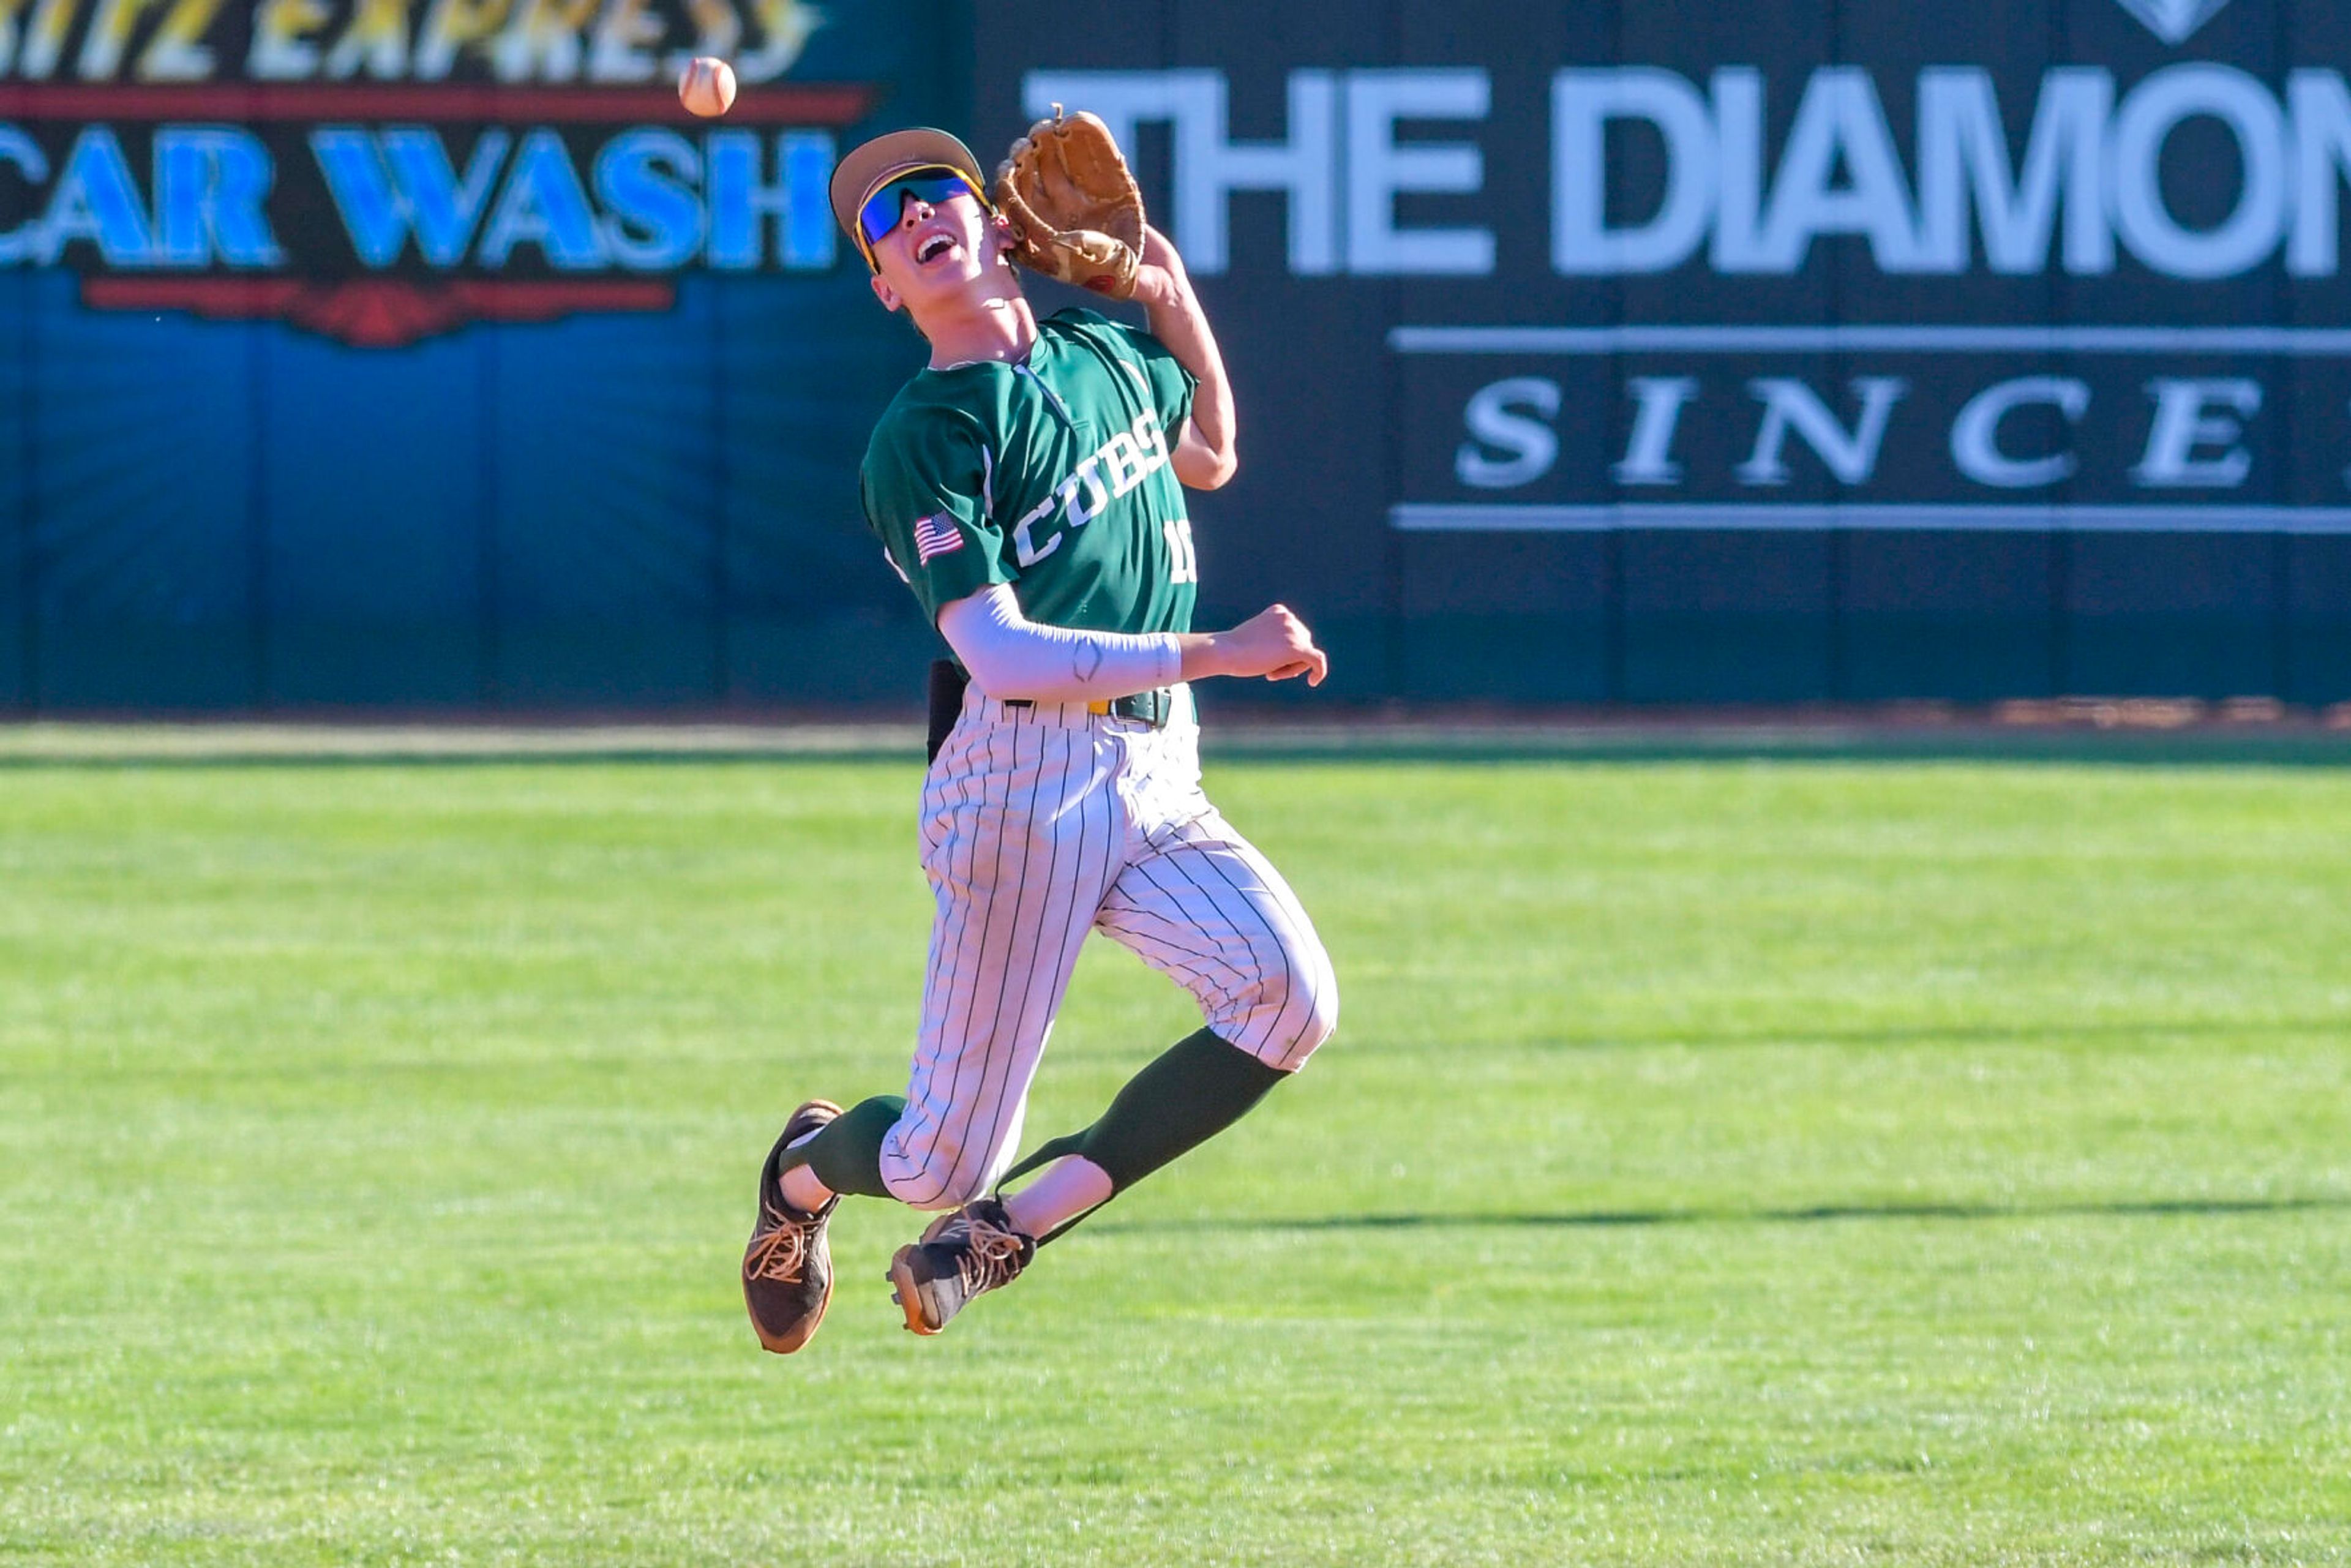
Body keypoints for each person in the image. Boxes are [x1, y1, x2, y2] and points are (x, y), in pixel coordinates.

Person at [741, 126, 1339, 1349]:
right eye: (885, 221)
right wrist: (1215, 653)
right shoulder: (930, 431)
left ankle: (1010, 1231)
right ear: (886, 285)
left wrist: (1159, 282)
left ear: (999, 224)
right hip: (1022, 781)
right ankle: (804, 1171)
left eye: (935, 191)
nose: (915, 215)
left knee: (1288, 999)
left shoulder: (1106, 359)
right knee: (936, 1159)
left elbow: (1213, 452)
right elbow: (1001, 652)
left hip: (1159, 767)